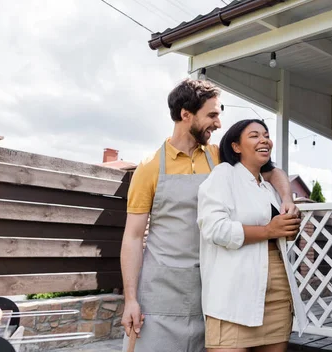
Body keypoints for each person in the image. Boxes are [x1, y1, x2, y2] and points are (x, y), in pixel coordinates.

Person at [120, 80, 299, 352]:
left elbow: (271, 172)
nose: (218, 124)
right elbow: (133, 237)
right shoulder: (150, 167)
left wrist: (286, 197)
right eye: (212, 115)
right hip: (161, 289)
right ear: (185, 114)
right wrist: (130, 299)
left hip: (214, 284)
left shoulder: (220, 158)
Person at [197, 119, 308, 352]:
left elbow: (280, 232)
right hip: (233, 293)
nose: (264, 139)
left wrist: (287, 229)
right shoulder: (224, 174)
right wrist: (269, 230)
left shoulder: (268, 188)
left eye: (266, 135)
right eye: (254, 135)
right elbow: (214, 228)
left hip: (277, 289)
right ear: (236, 146)